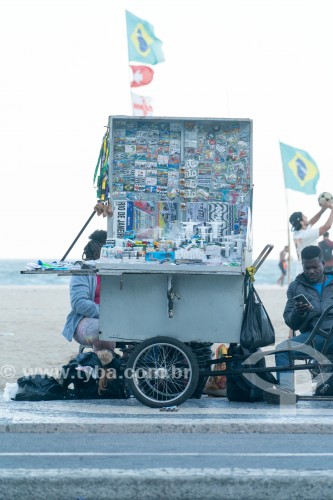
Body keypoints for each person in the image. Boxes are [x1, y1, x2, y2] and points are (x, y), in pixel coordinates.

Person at [264, 245, 333, 404]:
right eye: (307, 267)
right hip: (315, 337)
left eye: (315, 267)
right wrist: (299, 312)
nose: (311, 271)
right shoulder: (296, 287)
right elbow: (290, 322)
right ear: (302, 265)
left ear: (323, 263)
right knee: (282, 349)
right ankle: (286, 391)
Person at [62, 230, 116, 352]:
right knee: (102, 332)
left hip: (117, 319)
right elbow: (78, 303)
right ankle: (105, 367)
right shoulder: (83, 272)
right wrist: (107, 313)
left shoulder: (121, 270)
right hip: (85, 320)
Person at [289, 201, 333, 272]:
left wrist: (323, 210)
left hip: (302, 269)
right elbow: (327, 227)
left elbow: (312, 222)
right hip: (309, 270)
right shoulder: (306, 235)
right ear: (301, 222)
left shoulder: (297, 233)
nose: (306, 217)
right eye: (304, 216)